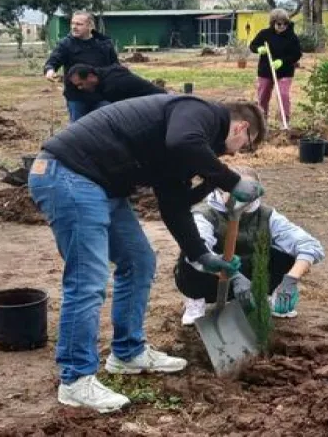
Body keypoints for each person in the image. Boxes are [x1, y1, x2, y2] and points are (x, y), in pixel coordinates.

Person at [27, 94, 266, 413]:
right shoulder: (200, 113)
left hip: (101, 186)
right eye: (246, 146)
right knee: (88, 281)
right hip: (69, 174)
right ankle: (75, 381)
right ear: (241, 127)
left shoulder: (188, 145)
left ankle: (127, 353)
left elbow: (174, 203)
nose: (237, 153)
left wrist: (201, 255)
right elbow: (184, 142)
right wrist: (231, 178)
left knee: (139, 261)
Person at [174, 167, 325, 325]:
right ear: (221, 189)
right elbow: (199, 253)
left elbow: (310, 245)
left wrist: (291, 279)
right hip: (212, 281)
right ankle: (196, 300)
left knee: (287, 251)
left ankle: (270, 295)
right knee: (193, 253)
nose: (242, 197)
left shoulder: (266, 215)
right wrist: (235, 277)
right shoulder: (204, 214)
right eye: (234, 190)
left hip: (250, 276)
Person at [44, 11, 120, 122]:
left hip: (102, 95)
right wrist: (50, 70)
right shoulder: (66, 44)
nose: (74, 27)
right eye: (72, 23)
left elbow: (115, 67)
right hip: (77, 97)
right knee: (79, 130)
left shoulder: (104, 43)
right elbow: (53, 61)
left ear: (90, 26)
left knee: (106, 125)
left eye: (79, 24)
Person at [248, 8, 302, 124]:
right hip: (266, 71)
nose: (282, 26)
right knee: (263, 96)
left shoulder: (292, 37)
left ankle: (284, 121)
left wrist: (282, 62)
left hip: (285, 71)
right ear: (273, 23)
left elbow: (297, 54)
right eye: (279, 24)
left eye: (285, 23)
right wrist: (259, 49)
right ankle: (262, 122)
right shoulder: (264, 34)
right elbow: (252, 45)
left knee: (283, 95)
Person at [66, 64, 166, 103]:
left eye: (81, 84)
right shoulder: (100, 73)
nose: (79, 88)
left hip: (155, 103)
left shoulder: (113, 85)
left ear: (91, 77)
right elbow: (68, 93)